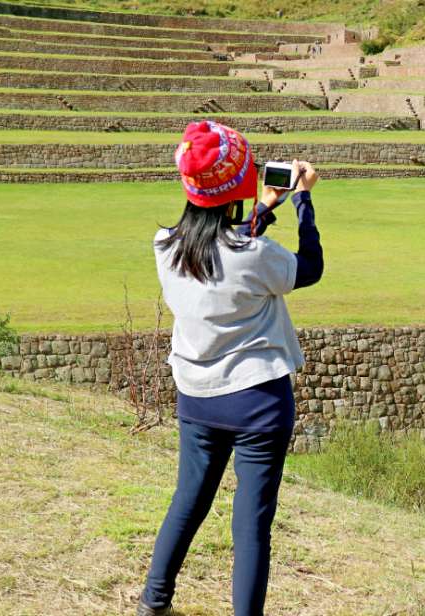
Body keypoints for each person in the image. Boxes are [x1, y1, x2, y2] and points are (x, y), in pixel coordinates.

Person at [138, 120, 324, 616]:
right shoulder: (256, 254)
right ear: (237, 184)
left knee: (188, 501)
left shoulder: (164, 245)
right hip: (259, 402)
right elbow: (309, 269)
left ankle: (153, 601)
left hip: (196, 396)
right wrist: (303, 202)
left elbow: (218, 243)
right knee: (251, 528)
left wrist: (264, 208)